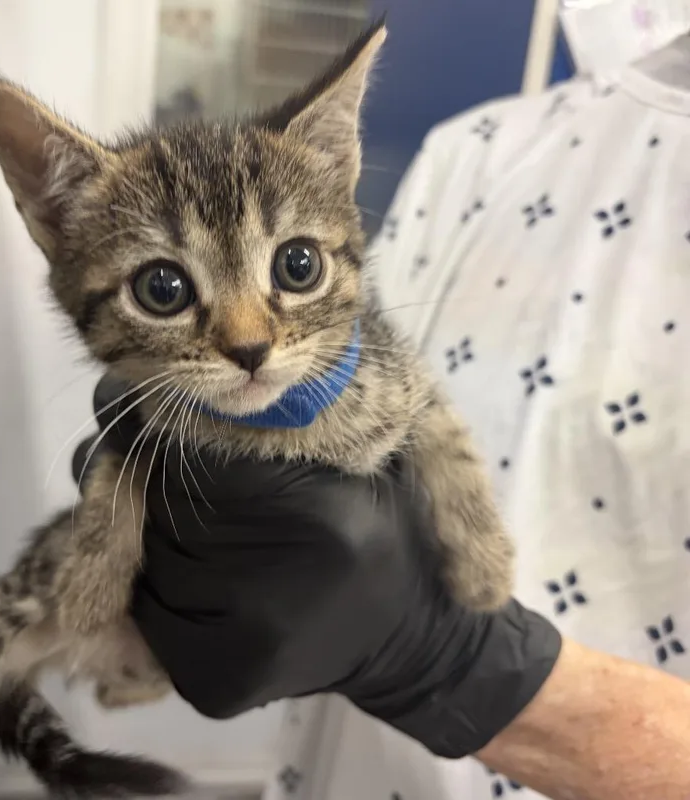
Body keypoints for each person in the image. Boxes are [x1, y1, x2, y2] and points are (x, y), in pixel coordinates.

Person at [74, 33, 690, 800]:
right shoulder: (477, 147)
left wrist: (470, 670)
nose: (247, 337)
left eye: (293, 268)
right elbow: (371, 372)